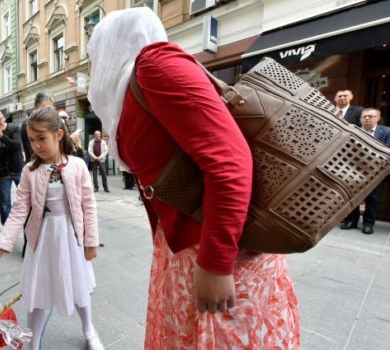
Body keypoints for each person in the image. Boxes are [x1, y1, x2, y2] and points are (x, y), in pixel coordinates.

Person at [87, 7, 300, 348]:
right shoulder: (133, 86)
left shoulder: (154, 65)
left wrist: (216, 264)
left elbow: (230, 160)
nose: (92, 65)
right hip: (186, 247)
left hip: (217, 250)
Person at [0, 107, 103, 350]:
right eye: (32, 140)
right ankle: (33, 343)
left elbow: (89, 205)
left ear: (58, 135)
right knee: (37, 294)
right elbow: (19, 211)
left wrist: (91, 242)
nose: (36, 145)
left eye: (42, 138)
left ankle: (89, 331)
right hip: (43, 238)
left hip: (72, 236)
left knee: (79, 286)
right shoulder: (30, 170)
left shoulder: (77, 165)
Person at [340, 108, 390, 234]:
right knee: (352, 196)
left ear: (378, 118)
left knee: (372, 198)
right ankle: (351, 220)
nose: (367, 118)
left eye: (370, 116)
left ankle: (368, 224)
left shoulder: (387, 132)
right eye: (364, 116)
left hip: (376, 171)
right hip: (353, 169)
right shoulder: (353, 131)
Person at [21, 92, 55, 163]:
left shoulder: (39, 121)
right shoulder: (31, 123)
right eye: (50, 107)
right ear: (42, 105)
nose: (52, 111)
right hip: (37, 165)